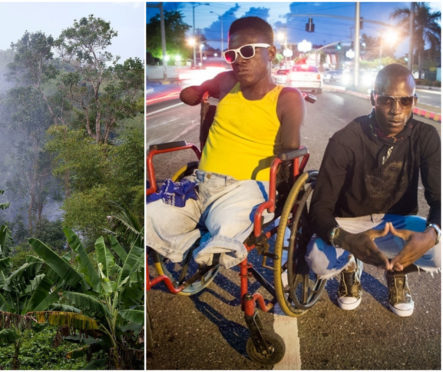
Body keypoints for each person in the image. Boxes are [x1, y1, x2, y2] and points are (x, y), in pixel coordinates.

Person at [146, 16, 305, 268]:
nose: (239, 60)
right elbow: (200, 89)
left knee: (231, 221)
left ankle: (215, 243)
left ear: (271, 53)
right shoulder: (226, 81)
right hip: (200, 183)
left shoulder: (287, 98)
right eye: (231, 54)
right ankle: (197, 244)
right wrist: (196, 91)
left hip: (245, 188)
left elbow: (290, 154)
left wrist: (284, 196)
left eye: (248, 51)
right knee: (149, 216)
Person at [306, 63, 441, 317]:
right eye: (387, 100)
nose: (396, 110)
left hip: (397, 224)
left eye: (405, 101)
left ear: (415, 101)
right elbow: (320, 207)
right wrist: (345, 239)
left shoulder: (426, 136)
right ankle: (348, 264)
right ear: (373, 98)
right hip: (349, 222)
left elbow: (438, 198)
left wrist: (432, 234)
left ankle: (398, 271)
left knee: (440, 248)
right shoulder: (346, 139)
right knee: (317, 260)